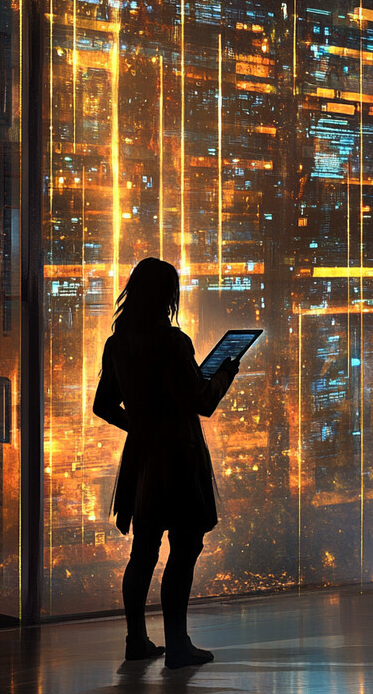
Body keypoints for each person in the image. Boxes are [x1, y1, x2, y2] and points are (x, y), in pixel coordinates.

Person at [92, 257, 239, 668]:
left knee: (143, 551)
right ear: (168, 296)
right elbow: (202, 401)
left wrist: (140, 427)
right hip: (179, 455)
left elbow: (103, 405)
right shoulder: (173, 343)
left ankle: (136, 640)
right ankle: (178, 644)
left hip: (144, 459)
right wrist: (226, 373)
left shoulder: (117, 344)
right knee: (186, 546)